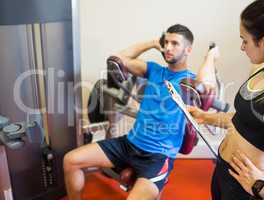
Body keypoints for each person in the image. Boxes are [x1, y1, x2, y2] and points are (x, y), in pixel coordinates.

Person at [63, 24, 219, 200]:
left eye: (175, 43)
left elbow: (206, 87)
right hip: (129, 144)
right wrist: (153, 43)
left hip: (157, 156)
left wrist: (211, 56)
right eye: (166, 42)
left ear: (188, 49)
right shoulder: (154, 70)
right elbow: (118, 59)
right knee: (71, 161)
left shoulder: (188, 81)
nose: (168, 47)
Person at [188, 0, 264, 199]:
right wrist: (206, 117)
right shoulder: (261, 71)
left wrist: (259, 188)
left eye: (245, 40)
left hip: (246, 190)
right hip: (224, 172)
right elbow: (245, 121)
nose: (241, 47)